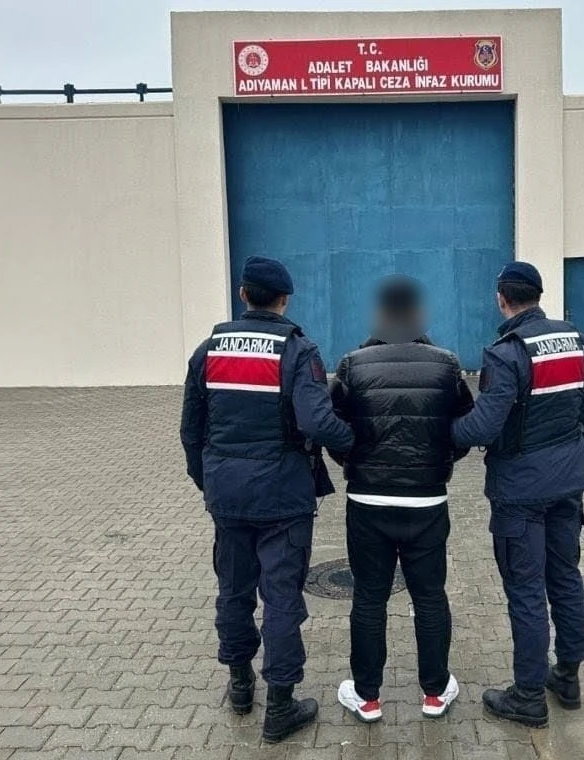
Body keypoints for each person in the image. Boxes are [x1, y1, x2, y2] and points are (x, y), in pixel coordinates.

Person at [180, 255, 354, 743]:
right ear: (284, 300)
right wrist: (355, 445)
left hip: (227, 493)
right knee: (281, 597)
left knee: (234, 589)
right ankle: (280, 705)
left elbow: (191, 429)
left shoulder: (208, 351)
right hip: (282, 495)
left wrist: (208, 479)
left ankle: (240, 685)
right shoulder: (297, 350)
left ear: (243, 294)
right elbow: (316, 421)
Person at [451, 261, 584, 729]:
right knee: (565, 577)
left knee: (526, 591)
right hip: (566, 486)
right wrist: (573, 461)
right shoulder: (577, 342)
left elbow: (484, 426)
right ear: (539, 295)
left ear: (502, 298)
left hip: (520, 493)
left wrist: (441, 434)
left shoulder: (506, 354)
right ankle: (568, 677)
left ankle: (529, 695)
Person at [328, 275, 474, 723]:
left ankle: (367, 697)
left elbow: (332, 427)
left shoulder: (352, 365)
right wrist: (440, 461)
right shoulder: (447, 364)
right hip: (427, 502)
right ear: (419, 314)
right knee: (429, 597)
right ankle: (435, 692)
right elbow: (465, 428)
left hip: (367, 501)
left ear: (379, 315)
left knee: (369, 598)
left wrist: (353, 461)